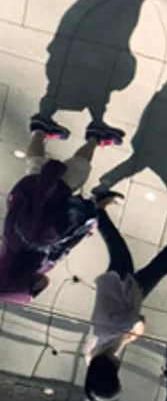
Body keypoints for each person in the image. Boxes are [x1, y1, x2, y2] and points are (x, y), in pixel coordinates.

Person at [82, 204, 167, 401]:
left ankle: (97, 209)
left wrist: (135, 331)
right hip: (129, 295)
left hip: (121, 282)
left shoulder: (108, 333)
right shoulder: (94, 358)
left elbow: (138, 321)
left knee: (118, 247)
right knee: (160, 266)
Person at [0, 116, 120, 303]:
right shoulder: (12, 254)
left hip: (51, 194)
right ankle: (40, 130)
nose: (39, 284)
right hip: (27, 193)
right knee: (35, 167)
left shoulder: (38, 244)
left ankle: (95, 137)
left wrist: (94, 210)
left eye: (32, 286)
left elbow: (71, 221)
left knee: (79, 169)